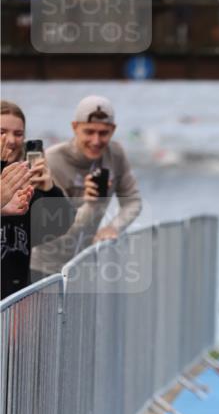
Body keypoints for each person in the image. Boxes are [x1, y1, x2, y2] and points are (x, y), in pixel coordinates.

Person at [31, 95, 142, 279]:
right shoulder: (51, 160)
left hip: (84, 264)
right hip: (44, 267)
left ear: (113, 130)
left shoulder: (116, 154)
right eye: (89, 132)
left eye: (103, 133)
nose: (96, 140)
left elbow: (133, 201)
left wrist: (113, 227)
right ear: (75, 127)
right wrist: (90, 204)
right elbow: (60, 230)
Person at [1, 100, 74, 300]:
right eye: (2, 132)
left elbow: (59, 226)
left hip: (13, 303)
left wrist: (49, 190)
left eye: (18, 134)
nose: (11, 140)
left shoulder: (25, 182)